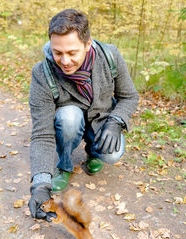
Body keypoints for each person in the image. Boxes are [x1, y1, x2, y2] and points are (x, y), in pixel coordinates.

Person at [28, 9, 139, 221]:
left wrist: (116, 121)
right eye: (57, 52)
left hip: (102, 121)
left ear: (87, 45)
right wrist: (40, 184)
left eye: (72, 53)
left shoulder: (110, 56)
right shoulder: (42, 73)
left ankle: (92, 153)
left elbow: (130, 97)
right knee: (69, 117)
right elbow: (42, 134)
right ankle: (64, 164)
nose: (64, 60)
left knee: (113, 154)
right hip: (69, 123)